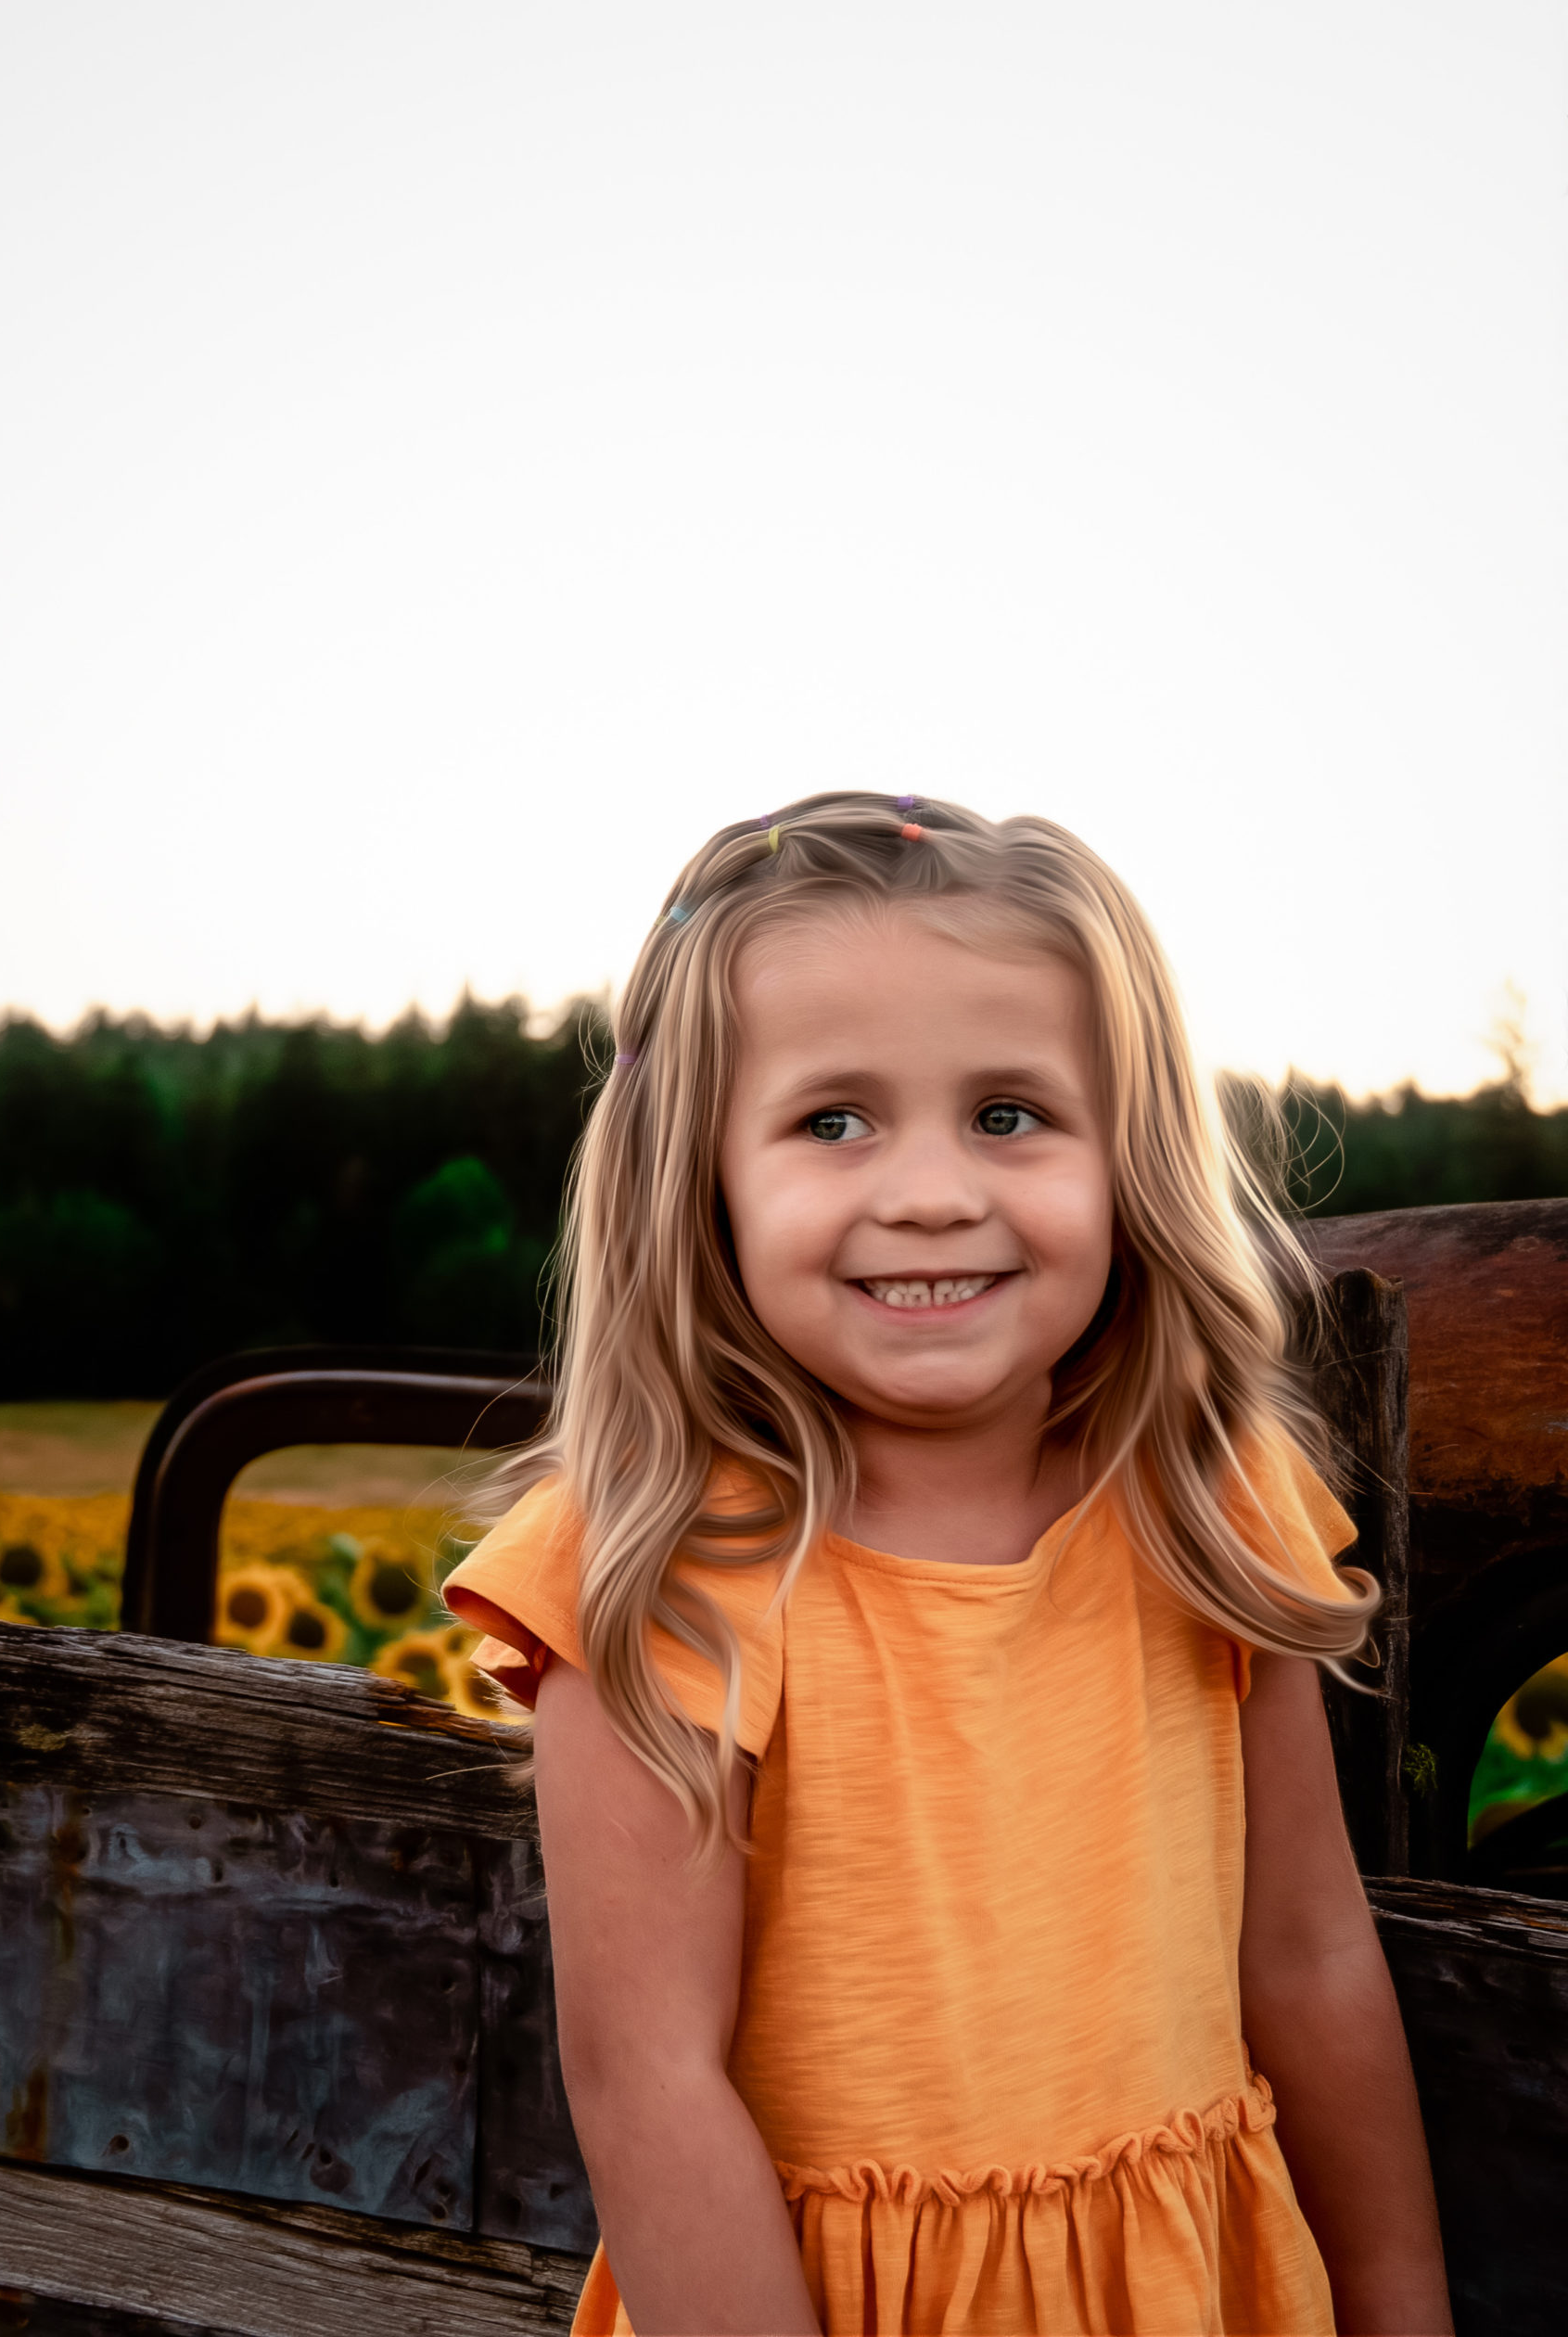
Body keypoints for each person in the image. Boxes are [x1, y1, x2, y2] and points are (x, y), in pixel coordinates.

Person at [443, 792, 1450, 2337]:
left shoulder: (1204, 1500)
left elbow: (1309, 1961)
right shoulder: (666, 1564)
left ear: (1133, 1156)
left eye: (1008, 1114)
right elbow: (649, 2080)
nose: (928, 1191)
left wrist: (1398, 2301)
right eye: (831, 1120)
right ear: (701, 1175)